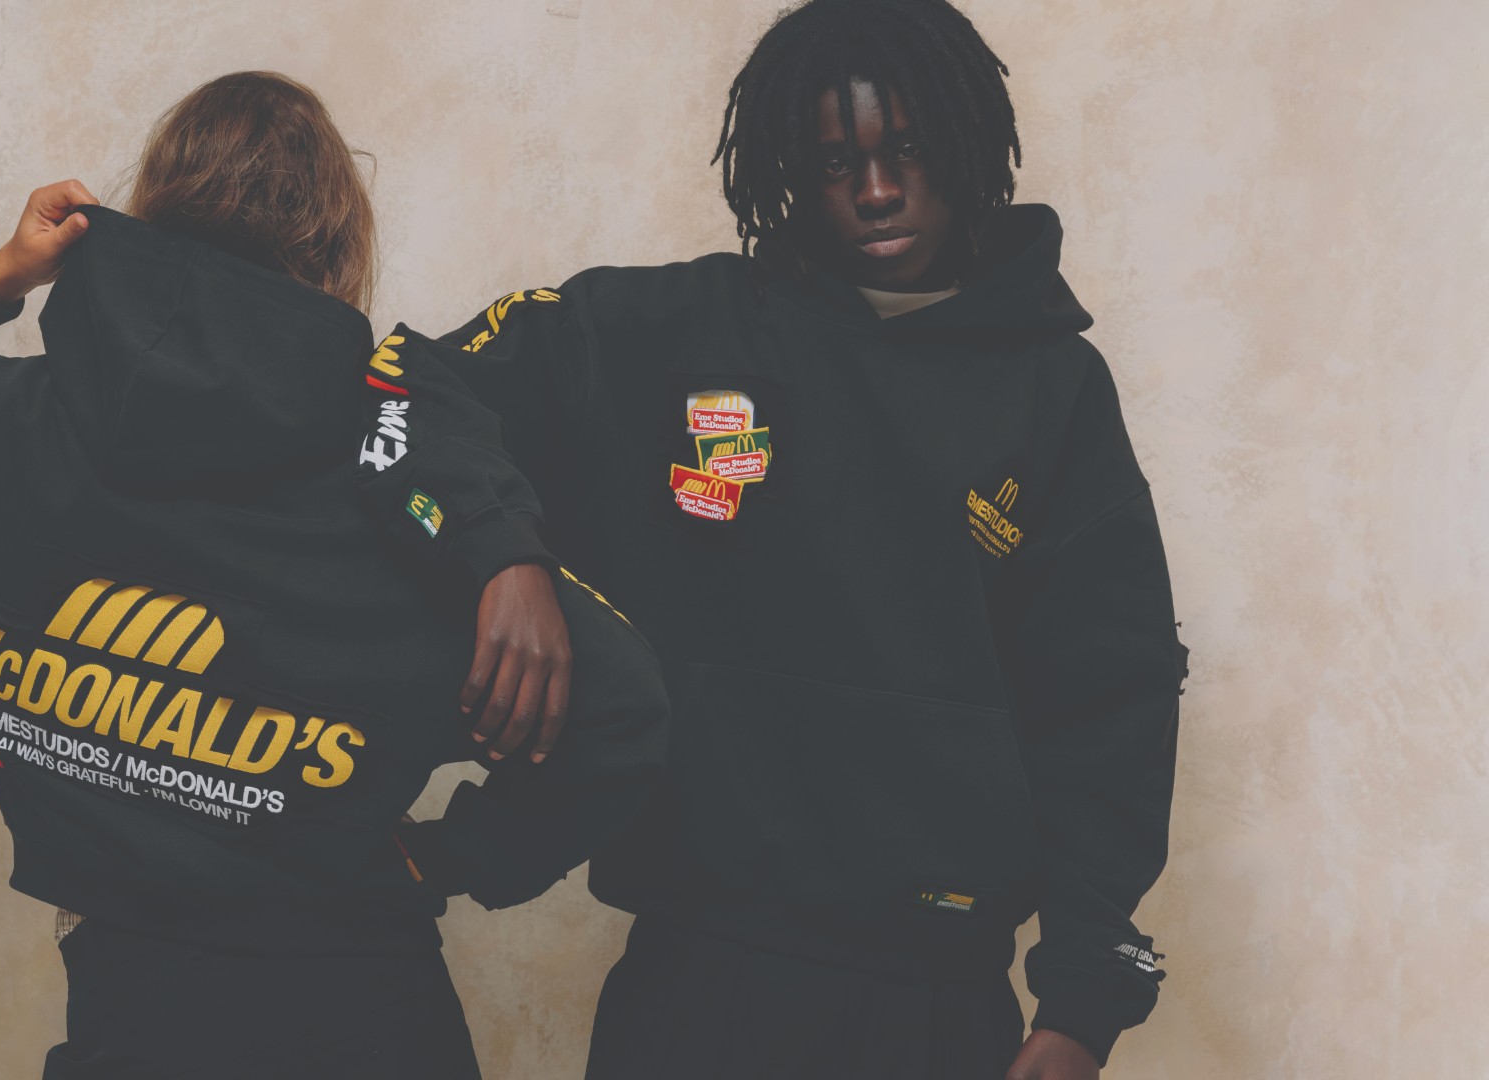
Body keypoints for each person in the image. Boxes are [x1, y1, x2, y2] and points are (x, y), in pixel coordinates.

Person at [355, 2, 1189, 1077]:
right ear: (792, 166)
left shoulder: (1053, 387)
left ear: (965, 140)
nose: (876, 190)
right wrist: (500, 553)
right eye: (837, 161)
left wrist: (1082, 1004)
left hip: (938, 999)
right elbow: (407, 384)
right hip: (696, 982)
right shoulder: (674, 332)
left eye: (906, 150)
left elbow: (1111, 699)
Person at [0, 71, 667, 1079]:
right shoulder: (405, 487)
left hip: (127, 1014)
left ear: (149, 213)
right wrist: (452, 857)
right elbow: (622, 712)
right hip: (369, 1012)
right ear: (339, 252)